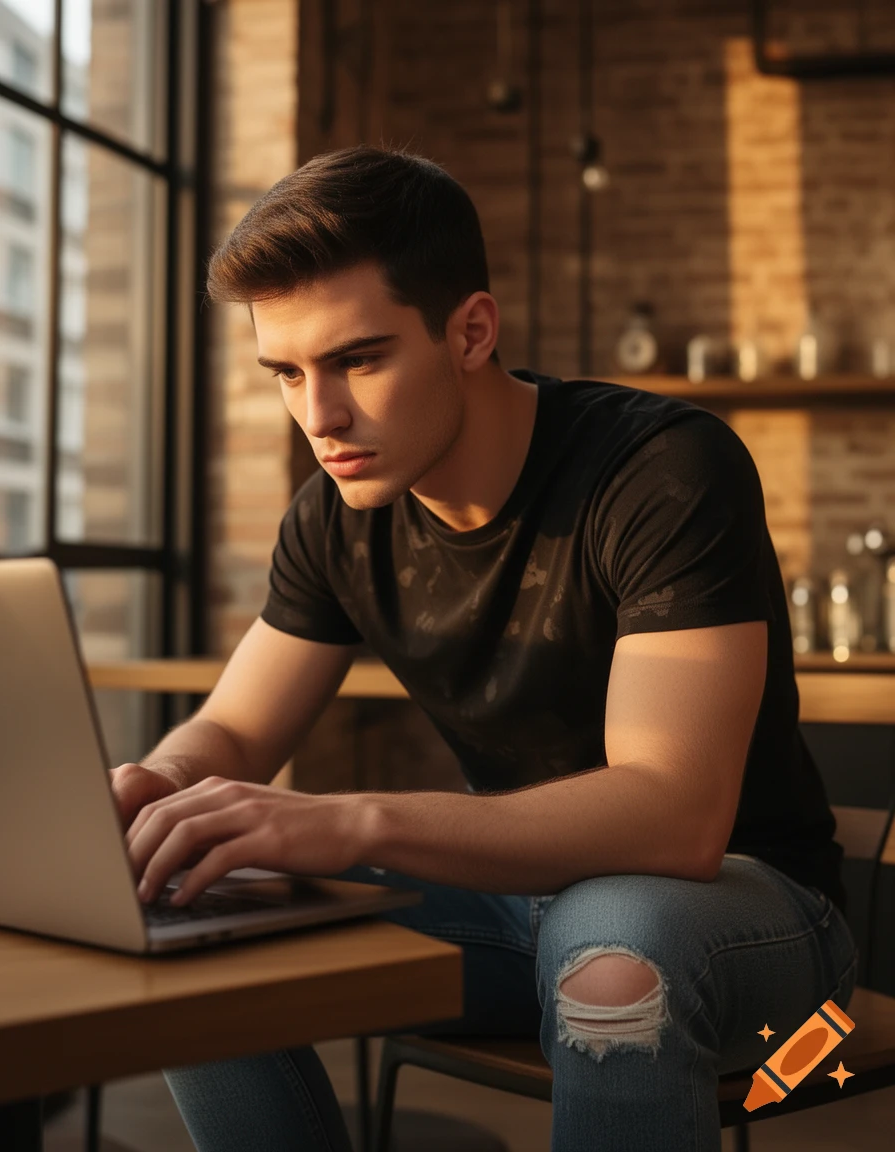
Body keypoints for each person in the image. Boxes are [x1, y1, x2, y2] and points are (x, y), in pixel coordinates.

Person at [110, 146, 858, 1152]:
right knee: (183, 914)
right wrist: (159, 788)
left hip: (739, 910)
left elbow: (675, 816)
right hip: (512, 910)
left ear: (470, 331)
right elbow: (236, 730)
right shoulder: (335, 517)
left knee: (615, 961)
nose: (318, 418)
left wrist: (352, 821)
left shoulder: (659, 470)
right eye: (286, 373)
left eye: (358, 360)